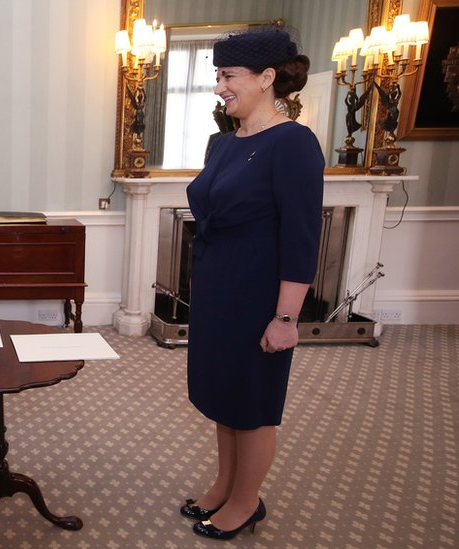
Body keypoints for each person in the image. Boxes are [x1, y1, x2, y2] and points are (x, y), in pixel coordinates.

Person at [180, 28, 324, 540]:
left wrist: (286, 318)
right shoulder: (223, 142)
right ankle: (223, 485)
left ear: (267, 79)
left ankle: (246, 502)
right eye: (218, 76)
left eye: (229, 76)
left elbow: (302, 237)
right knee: (223, 396)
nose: (220, 86)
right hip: (217, 290)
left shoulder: (294, 143)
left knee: (253, 403)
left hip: (258, 293)